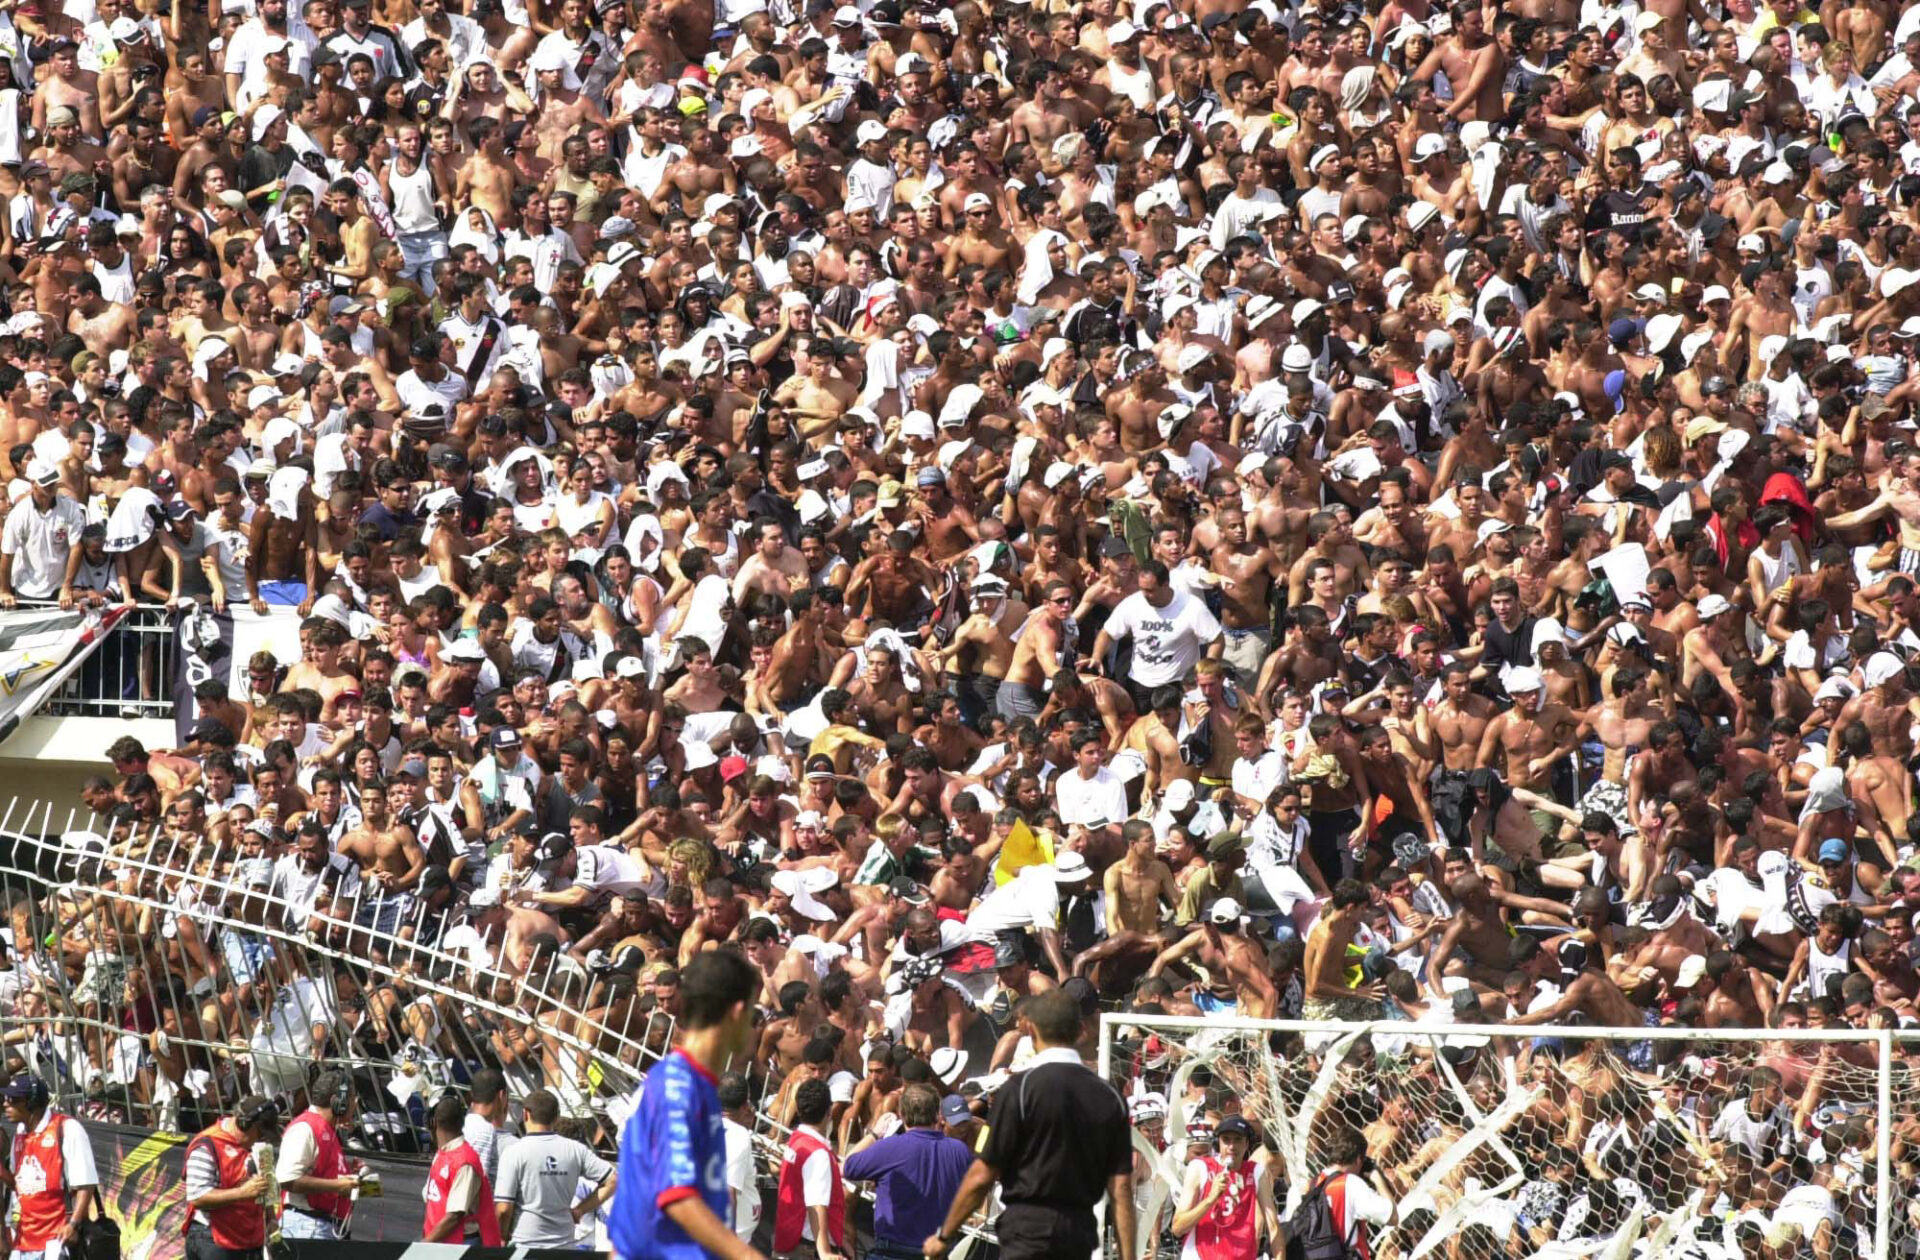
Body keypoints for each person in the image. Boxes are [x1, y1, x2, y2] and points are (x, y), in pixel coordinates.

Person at [923, 989, 1136, 1260]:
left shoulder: (1018, 1090)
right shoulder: (1110, 1098)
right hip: (1077, 1242)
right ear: (1081, 1030)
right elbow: (1121, 1189)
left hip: (1026, 1239)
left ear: (1032, 1031)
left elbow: (983, 1174)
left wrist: (944, 1237)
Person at [608, 949, 766, 1260]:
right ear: (736, 1013)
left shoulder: (701, 1086)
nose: (754, 1028)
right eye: (752, 1014)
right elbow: (676, 1195)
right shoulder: (677, 1086)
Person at [842, 1084, 978, 1260]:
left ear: (902, 1114)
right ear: (938, 1115)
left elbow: (848, 1166)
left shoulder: (890, 1147)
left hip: (893, 1251)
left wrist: (874, 1134)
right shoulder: (960, 1151)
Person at [493, 1088, 616, 1247]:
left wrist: (501, 1237)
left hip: (525, 1246)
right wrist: (580, 1210)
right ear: (556, 1116)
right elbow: (613, 1181)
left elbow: (503, 1209)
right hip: (564, 1246)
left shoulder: (513, 1152)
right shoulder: (575, 1149)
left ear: (525, 1114)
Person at [2, 1076, 99, 1260]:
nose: (6, 1104)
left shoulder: (66, 1128)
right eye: (5, 1099)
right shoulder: (19, 1136)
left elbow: (86, 1184)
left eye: (13, 1100)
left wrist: (73, 1224)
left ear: (31, 1103)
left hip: (57, 1243)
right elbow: (21, 1185)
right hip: (23, 1243)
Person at [183, 1096, 281, 1260]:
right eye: (260, 1133)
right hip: (215, 1241)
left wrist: (271, 1218)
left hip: (251, 1241)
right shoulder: (207, 1145)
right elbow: (197, 1196)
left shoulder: (261, 1147)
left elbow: (267, 1185)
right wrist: (242, 1193)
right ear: (246, 1125)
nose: (262, 1139)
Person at [1171, 1114, 1276, 1260]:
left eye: (1238, 1140)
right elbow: (1177, 1228)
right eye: (1226, 1140)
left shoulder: (1256, 1172)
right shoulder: (1200, 1168)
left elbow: (1272, 1227)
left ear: (1247, 1144)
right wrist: (1211, 1198)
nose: (1232, 1146)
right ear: (1218, 1143)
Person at [275, 1070, 365, 1240]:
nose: (355, 1104)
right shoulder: (305, 1128)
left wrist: (350, 1178)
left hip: (321, 1227)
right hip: (308, 1226)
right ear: (338, 1102)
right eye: (352, 1098)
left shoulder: (327, 1129)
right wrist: (338, 1186)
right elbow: (287, 1178)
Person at [771, 1077, 846, 1260]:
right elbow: (816, 1205)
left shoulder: (796, 1141)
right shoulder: (817, 1154)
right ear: (829, 1112)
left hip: (791, 1242)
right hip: (807, 1248)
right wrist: (825, 1251)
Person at [422, 1096, 502, 1245]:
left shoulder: (464, 1161)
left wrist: (425, 1244)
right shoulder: (443, 1154)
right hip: (442, 1240)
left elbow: (454, 1215)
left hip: (461, 1243)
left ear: (433, 1123)